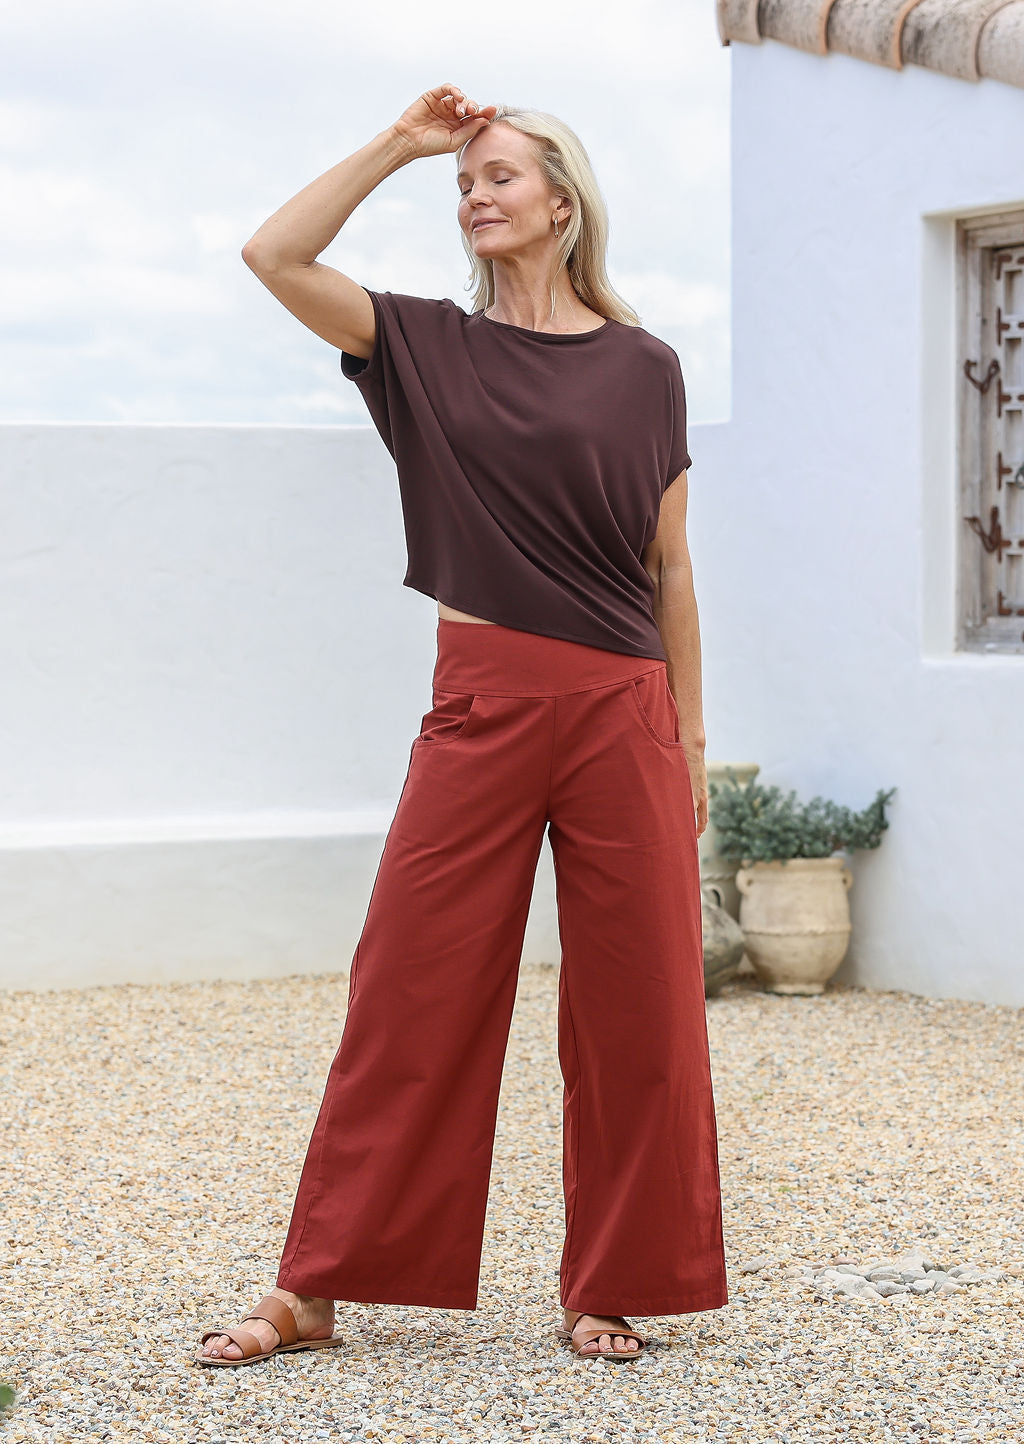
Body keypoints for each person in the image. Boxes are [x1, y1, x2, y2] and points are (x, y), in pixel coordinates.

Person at [197, 82, 727, 1368]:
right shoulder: (424, 345)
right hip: (480, 703)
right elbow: (274, 254)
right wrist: (399, 142)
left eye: (498, 174)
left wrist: (691, 741)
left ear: (562, 200)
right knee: (408, 989)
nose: (475, 195)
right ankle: (316, 1283)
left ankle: (611, 1283)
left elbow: (667, 567)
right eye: (463, 182)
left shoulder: (645, 367)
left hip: (625, 711)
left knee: (642, 1009)